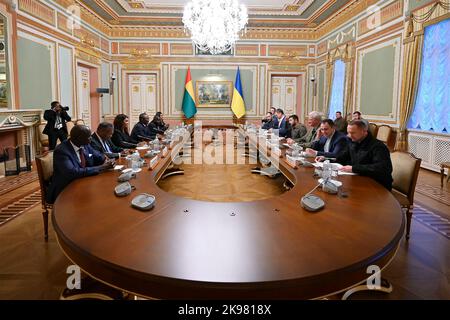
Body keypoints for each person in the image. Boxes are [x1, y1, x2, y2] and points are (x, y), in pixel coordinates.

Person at [46, 125, 114, 204]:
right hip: (66, 187)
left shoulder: (85, 144)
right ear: (79, 138)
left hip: (83, 181)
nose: (91, 138)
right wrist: (101, 167)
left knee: (103, 193)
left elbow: (97, 155)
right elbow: (72, 172)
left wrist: (106, 160)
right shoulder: (62, 151)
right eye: (88, 137)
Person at [318, 119, 393, 190]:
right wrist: (327, 159)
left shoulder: (378, 146)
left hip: (377, 185)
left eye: (352, 133)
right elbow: (343, 156)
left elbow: (383, 168)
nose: (349, 136)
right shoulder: (353, 141)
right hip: (359, 180)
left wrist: (353, 168)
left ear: (364, 131)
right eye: (348, 132)